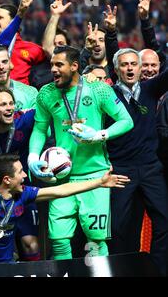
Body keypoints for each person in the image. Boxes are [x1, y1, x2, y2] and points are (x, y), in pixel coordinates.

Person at [28, 45, 134, 260]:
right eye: (52, 65)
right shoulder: (46, 94)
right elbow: (39, 129)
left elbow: (126, 121)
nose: (54, 70)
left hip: (96, 177)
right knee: (58, 240)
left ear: (74, 66)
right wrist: (33, 156)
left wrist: (99, 135)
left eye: (59, 65)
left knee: (95, 240)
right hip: (62, 178)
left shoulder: (99, 89)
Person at [0, 154, 129, 264]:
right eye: (21, 172)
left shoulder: (25, 193)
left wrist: (99, 183)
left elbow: (60, 190)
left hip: (7, 264)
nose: (25, 175)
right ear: (7, 180)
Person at [106, 48, 168, 276]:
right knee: (120, 229)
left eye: (134, 64)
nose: (130, 68)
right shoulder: (107, 95)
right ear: (116, 70)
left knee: (164, 222)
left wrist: (147, 29)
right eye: (124, 65)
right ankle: (126, 271)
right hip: (122, 170)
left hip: (151, 168)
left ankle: (158, 270)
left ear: (141, 68)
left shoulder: (151, 89)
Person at [0, 87, 40, 261]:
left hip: (21, 192)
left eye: (11, 103)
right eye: (3, 104)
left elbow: (51, 102)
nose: (9, 108)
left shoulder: (24, 120)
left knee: (31, 244)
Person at [0, 44, 38, 111]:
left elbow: (38, 120)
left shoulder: (30, 93)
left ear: (10, 64)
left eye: (4, 62)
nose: (1, 67)